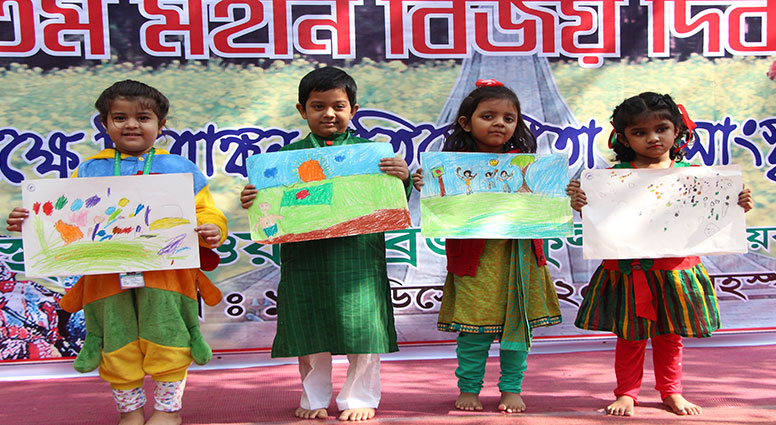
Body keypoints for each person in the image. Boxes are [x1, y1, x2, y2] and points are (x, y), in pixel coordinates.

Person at [6, 80, 227, 425]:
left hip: (166, 278)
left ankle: (168, 411)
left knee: (167, 340)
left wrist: (213, 228)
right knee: (116, 343)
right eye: (120, 117)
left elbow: (206, 212)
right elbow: (65, 216)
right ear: (105, 124)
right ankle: (130, 412)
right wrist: (30, 220)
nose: (131, 125)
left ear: (161, 125)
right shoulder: (89, 170)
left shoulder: (180, 169)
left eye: (143, 117)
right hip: (107, 280)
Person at [239, 66, 412, 422]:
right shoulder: (284, 160)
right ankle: (313, 397)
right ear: (302, 110)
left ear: (353, 110)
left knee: (363, 329)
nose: (329, 114)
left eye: (338, 106)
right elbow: (271, 212)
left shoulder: (373, 156)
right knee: (309, 327)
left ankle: (359, 398)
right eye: (318, 106)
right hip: (307, 260)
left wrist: (403, 178)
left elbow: (393, 204)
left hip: (359, 258)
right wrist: (254, 200)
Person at [566, 92, 754, 417]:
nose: (653, 138)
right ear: (624, 138)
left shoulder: (697, 175)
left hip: (676, 271)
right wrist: (582, 204)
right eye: (640, 132)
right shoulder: (610, 178)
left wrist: (737, 205)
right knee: (630, 337)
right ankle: (626, 393)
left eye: (661, 129)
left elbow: (714, 217)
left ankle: (671, 391)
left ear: (676, 130)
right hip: (629, 271)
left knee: (670, 336)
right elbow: (601, 221)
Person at [420, 79, 562, 413]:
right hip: (476, 262)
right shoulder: (449, 167)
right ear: (466, 123)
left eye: (508, 118)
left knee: (518, 326)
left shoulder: (529, 165)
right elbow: (444, 210)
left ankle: (511, 388)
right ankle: (469, 388)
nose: (499, 123)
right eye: (488, 116)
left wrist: (563, 193)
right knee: (473, 332)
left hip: (520, 259)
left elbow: (544, 207)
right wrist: (425, 183)